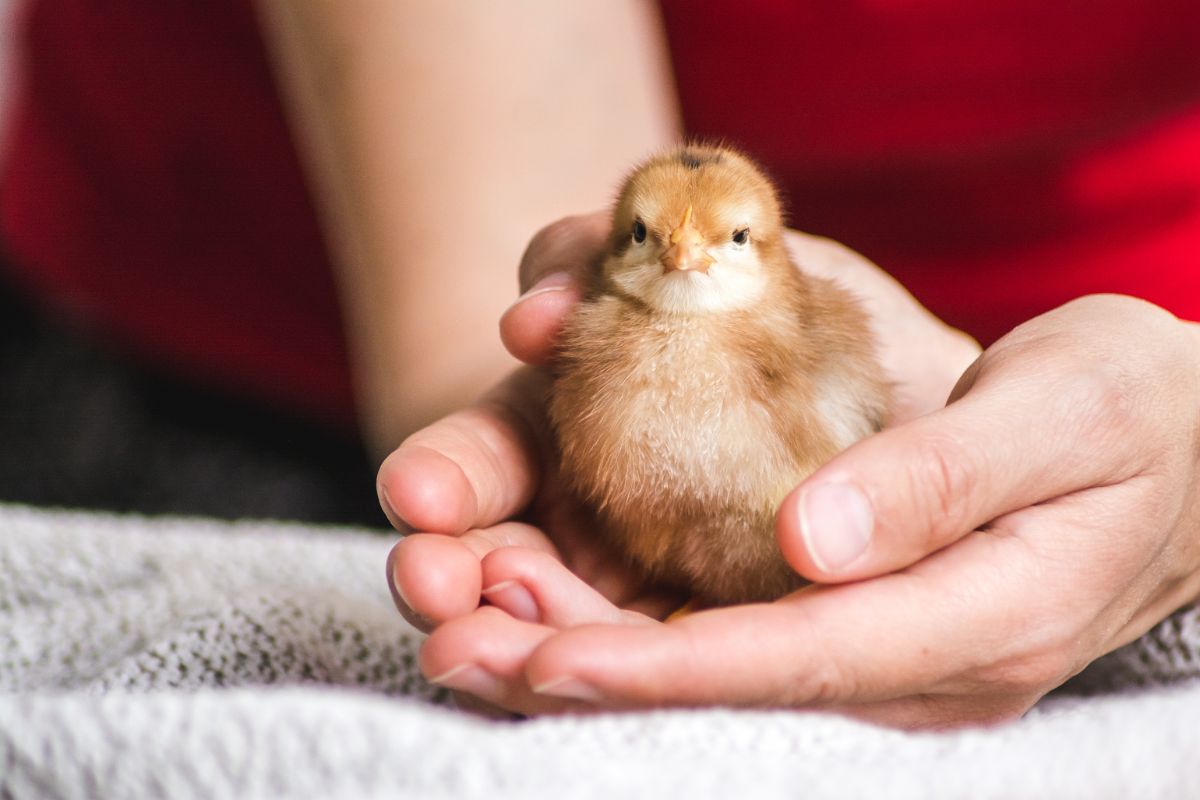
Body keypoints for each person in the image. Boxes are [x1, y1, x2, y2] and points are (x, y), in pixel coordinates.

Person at [378, 3, 1200, 726]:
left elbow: (853, 426)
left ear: (760, 247)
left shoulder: (796, 343)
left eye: (726, 240)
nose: (683, 259)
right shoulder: (594, 343)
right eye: (649, 239)